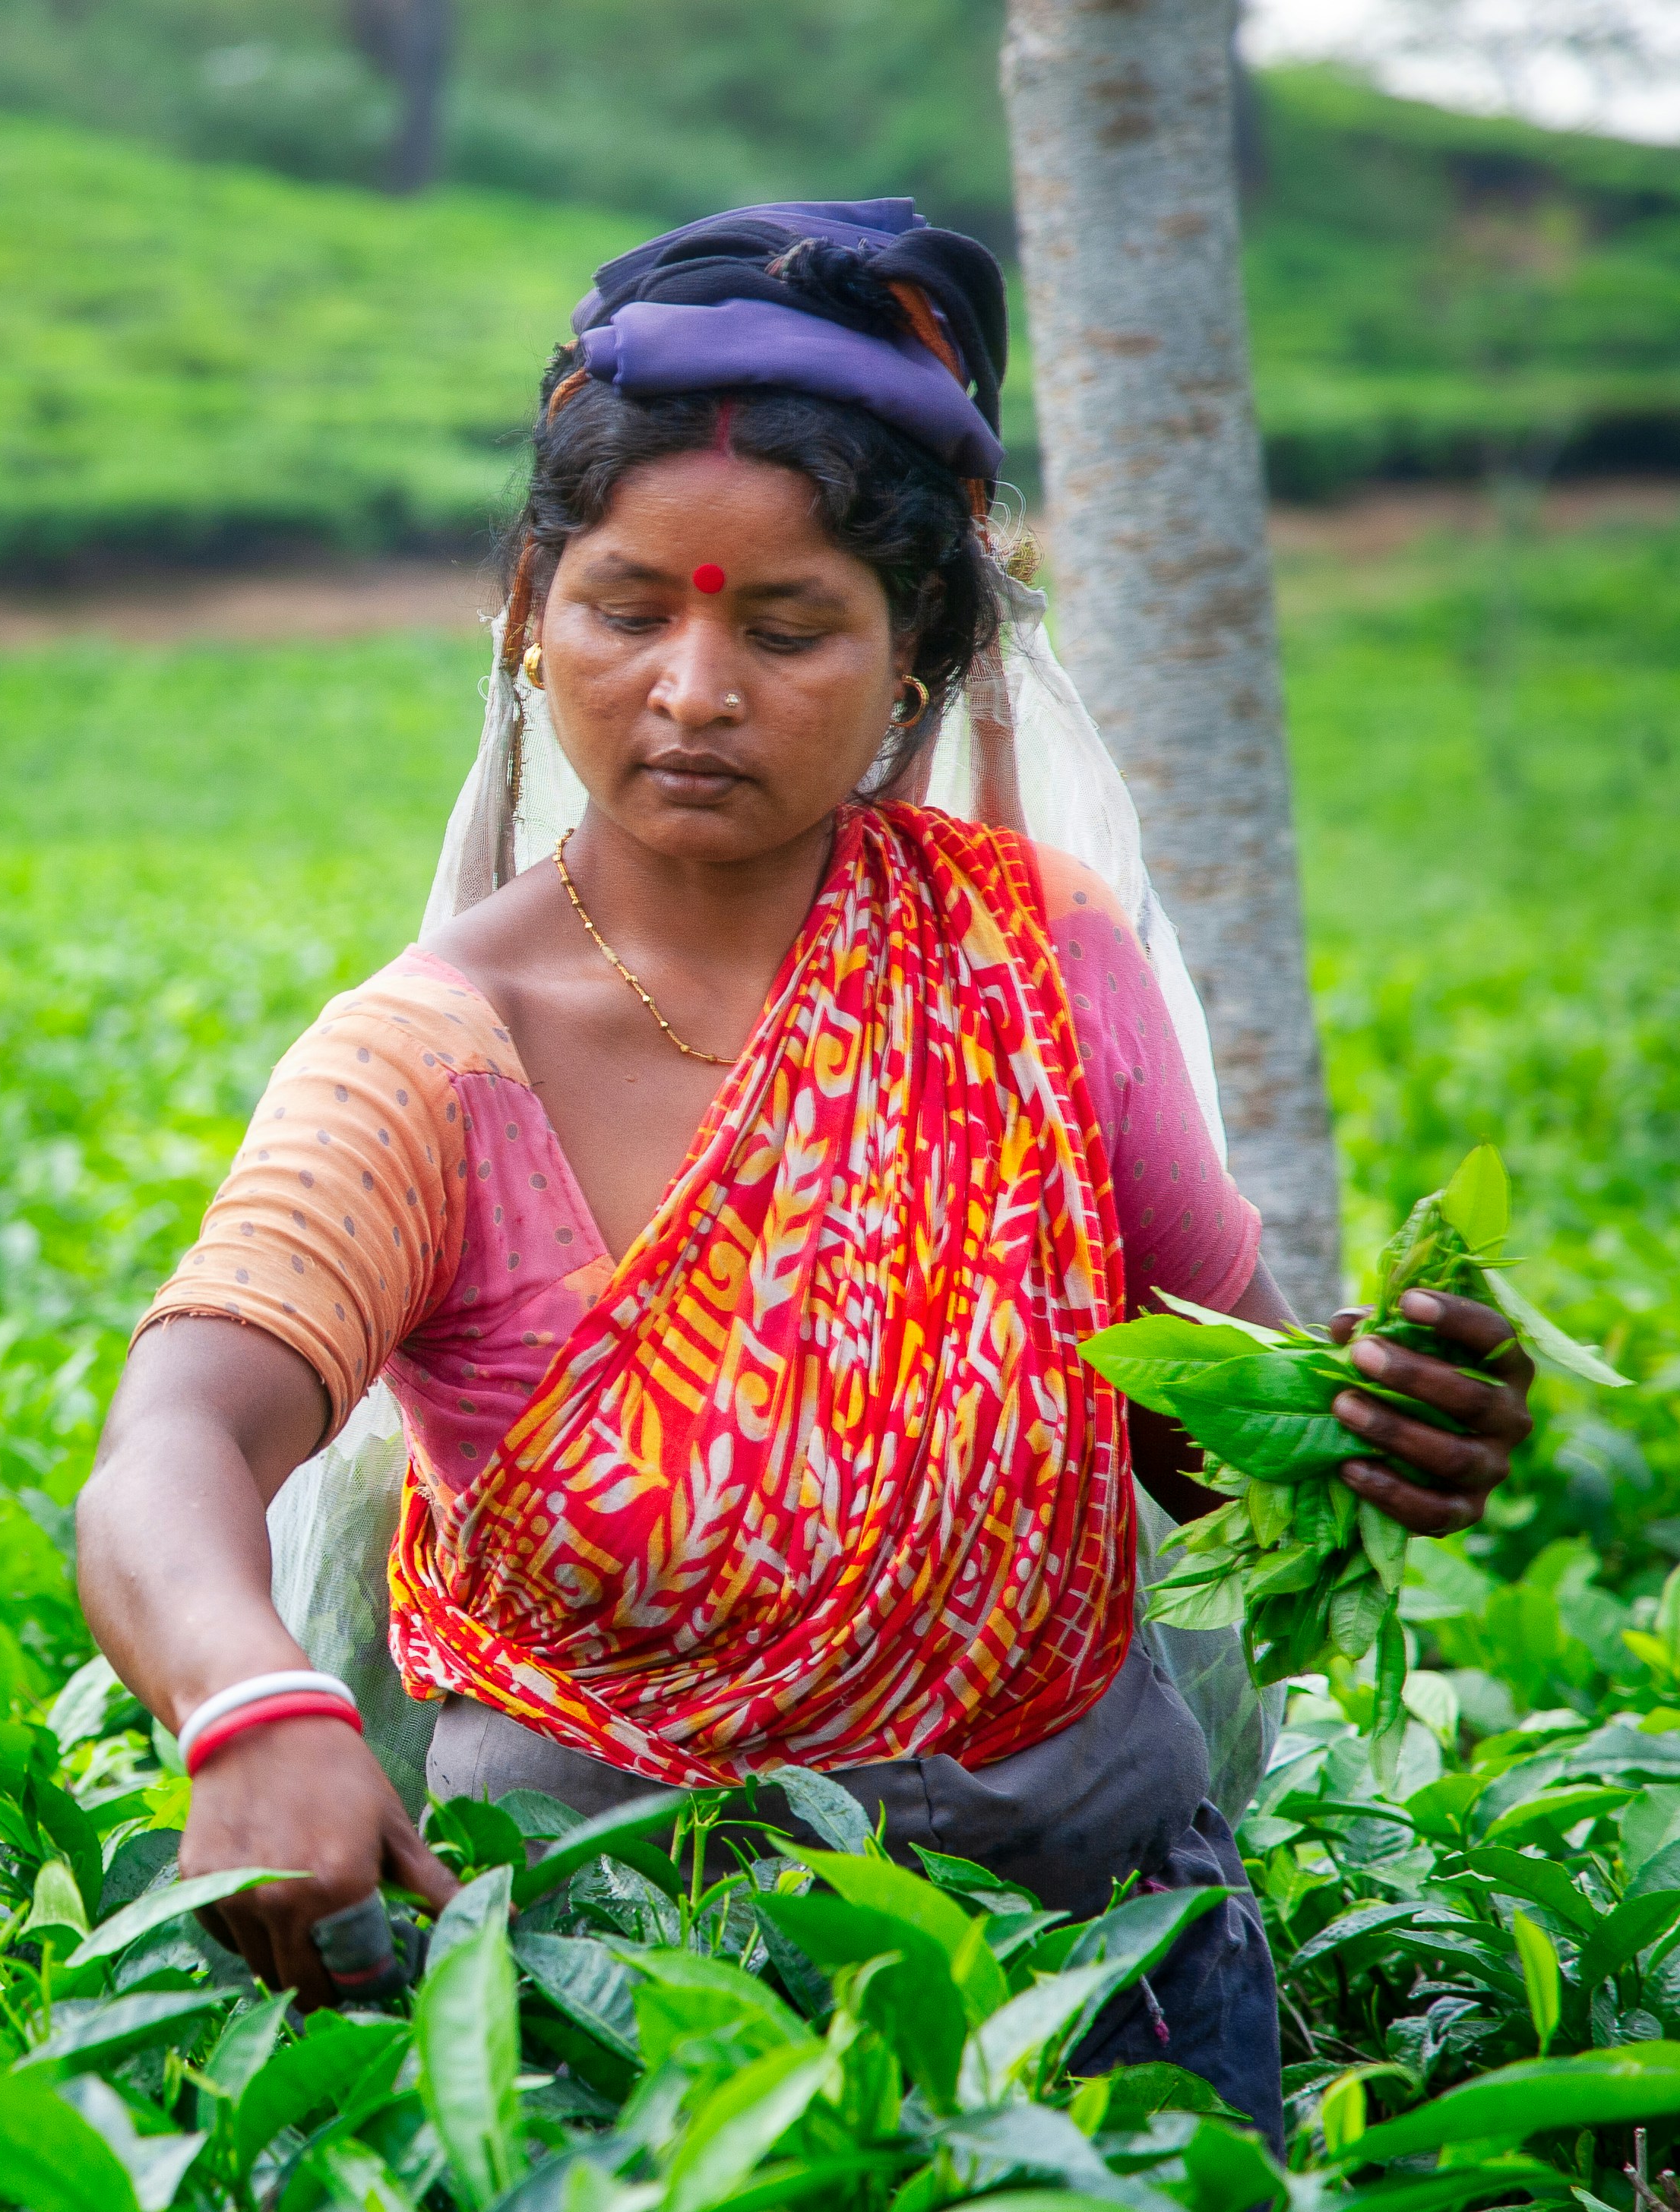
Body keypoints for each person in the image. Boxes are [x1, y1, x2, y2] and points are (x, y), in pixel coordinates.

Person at [74, 201, 1532, 2134]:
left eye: (784, 629)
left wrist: (1370, 1426)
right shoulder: (431, 1063)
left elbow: (1199, 1424)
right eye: (624, 610)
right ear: (527, 609)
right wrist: (251, 1705)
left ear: (917, 654)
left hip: (1095, 1982)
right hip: (626, 2012)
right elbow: (174, 1443)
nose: (692, 689)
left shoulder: (1037, 964)